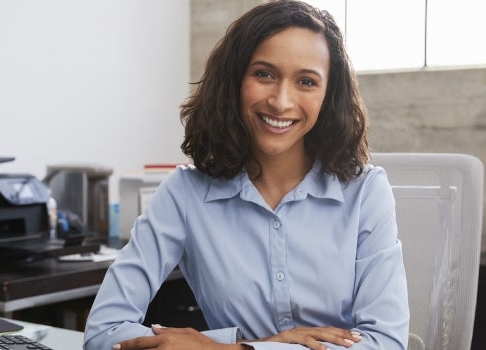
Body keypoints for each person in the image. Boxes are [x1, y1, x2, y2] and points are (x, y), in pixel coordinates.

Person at [84, 1, 409, 349]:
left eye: (306, 81)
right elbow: (103, 333)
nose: (282, 102)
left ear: (328, 96)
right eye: (264, 74)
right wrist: (261, 344)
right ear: (235, 81)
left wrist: (230, 348)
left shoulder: (365, 192)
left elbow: (386, 343)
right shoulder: (185, 193)